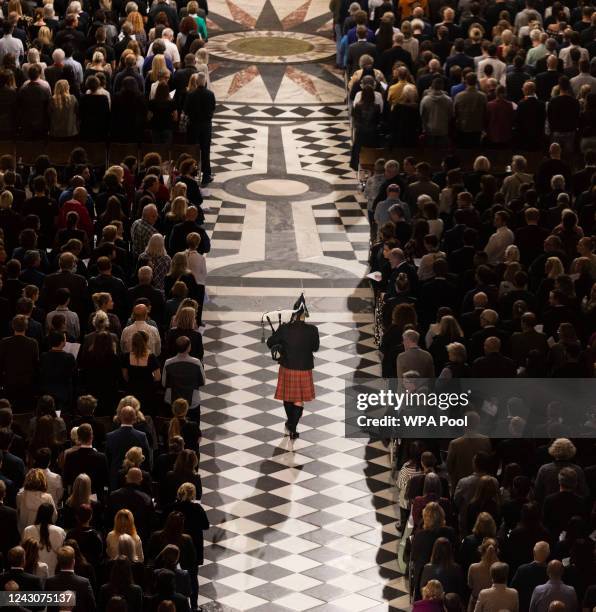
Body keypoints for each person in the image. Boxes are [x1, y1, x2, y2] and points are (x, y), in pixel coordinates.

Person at [266, 297, 319, 440]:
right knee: (298, 400)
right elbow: (315, 347)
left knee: (288, 398)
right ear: (305, 315)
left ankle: (291, 424)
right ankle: (292, 427)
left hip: (287, 367)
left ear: (293, 314)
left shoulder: (284, 328)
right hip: (304, 368)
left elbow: (270, 343)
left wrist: (279, 337)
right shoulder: (313, 330)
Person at [184, 72, 215, 186]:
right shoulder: (210, 94)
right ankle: (206, 176)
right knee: (205, 151)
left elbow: (186, 110)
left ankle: (191, 174)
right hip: (206, 126)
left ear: (196, 82)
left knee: (193, 151)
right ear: (205, 82)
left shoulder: (191, 95)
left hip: (193, 126)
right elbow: (213, 108)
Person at [45, 545, 96, 611]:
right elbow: (92, 607)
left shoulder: (50, 582)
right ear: (73, 562)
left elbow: (46, 606)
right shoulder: (84, 583)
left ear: (59, 562)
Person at [22, 502, 65, 576]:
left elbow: (24, 551)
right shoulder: (59, 531)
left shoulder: (28, 530)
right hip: (52, 572)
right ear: (51, 515)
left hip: (31, 572)